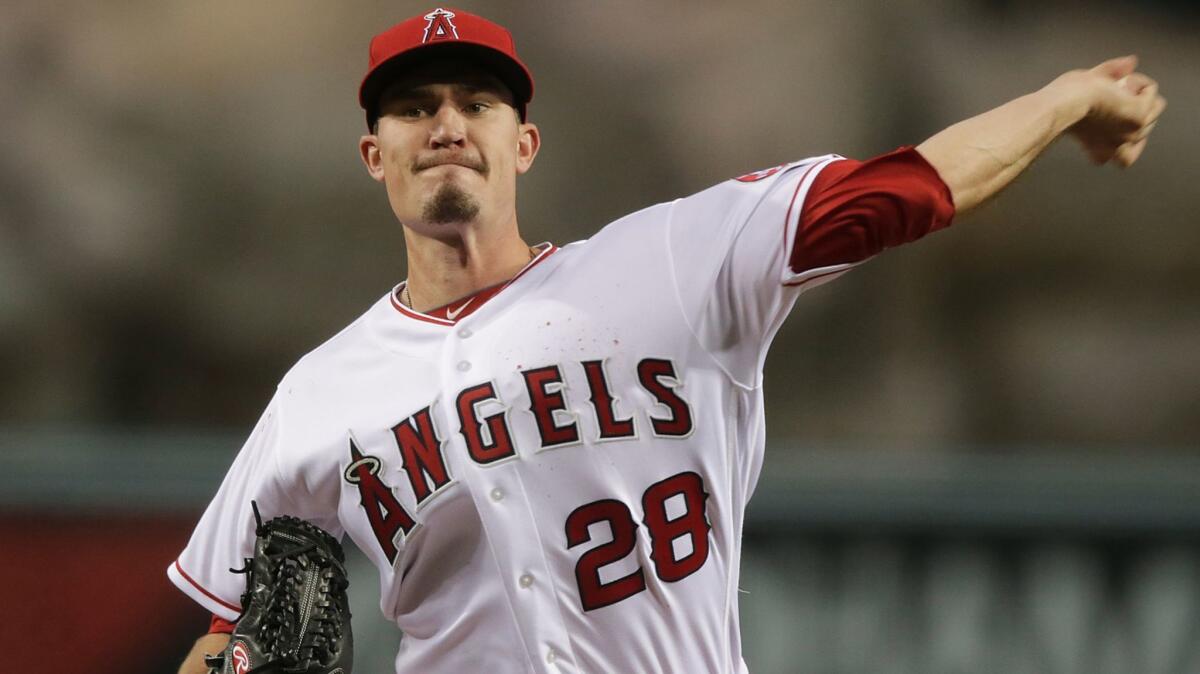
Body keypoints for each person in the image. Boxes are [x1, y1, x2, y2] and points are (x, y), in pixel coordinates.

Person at [170, 7, 1165, 674]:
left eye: (476, 101)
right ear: (371, 154)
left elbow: (908, 189)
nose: (445, 124)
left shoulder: (673, 262)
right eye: (412, 106)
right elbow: (225, 627)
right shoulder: (318, 392)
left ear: (523, 143)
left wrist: (1062, 100)